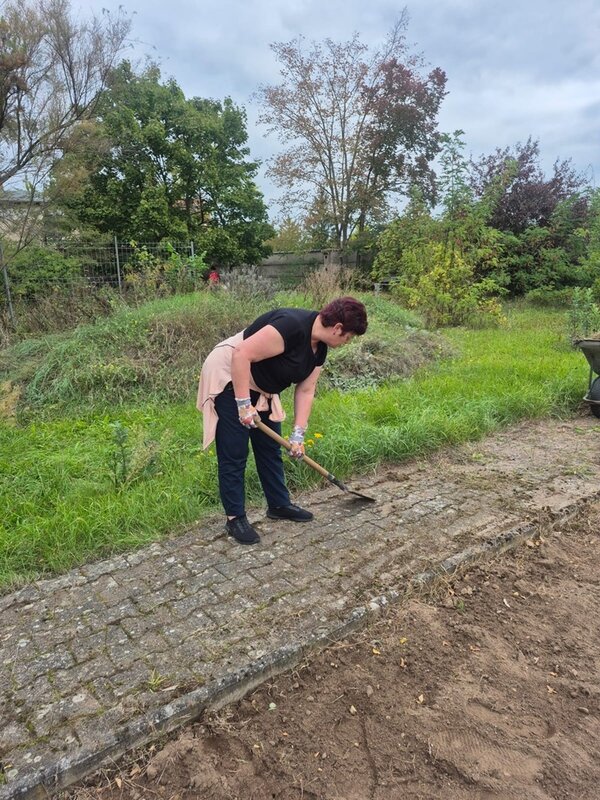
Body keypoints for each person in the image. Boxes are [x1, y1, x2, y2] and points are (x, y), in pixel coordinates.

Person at [197, 296, 368, 545]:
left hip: (263, 385)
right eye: (348, 337)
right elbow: (241, 355)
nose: (346, 342)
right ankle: (235, 518)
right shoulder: (291, 326)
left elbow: (306, 390)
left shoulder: (319, 349)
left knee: (269, 448)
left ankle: (278, 504)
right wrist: (244, 405)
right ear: (338, 328)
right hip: (231, 375)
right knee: (234, 451)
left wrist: (298, 435)